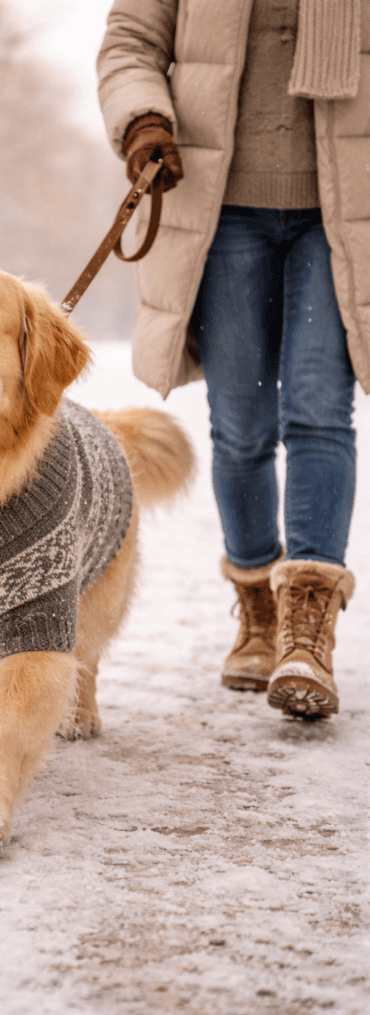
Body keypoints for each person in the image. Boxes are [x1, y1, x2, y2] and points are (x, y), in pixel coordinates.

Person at [97, 0, 370, 718]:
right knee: (241, 424)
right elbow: (129, 41)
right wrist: (142, 120)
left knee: (318, 408)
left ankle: (307, 632)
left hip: (342, 211)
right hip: (219, 211)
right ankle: (256, 606)